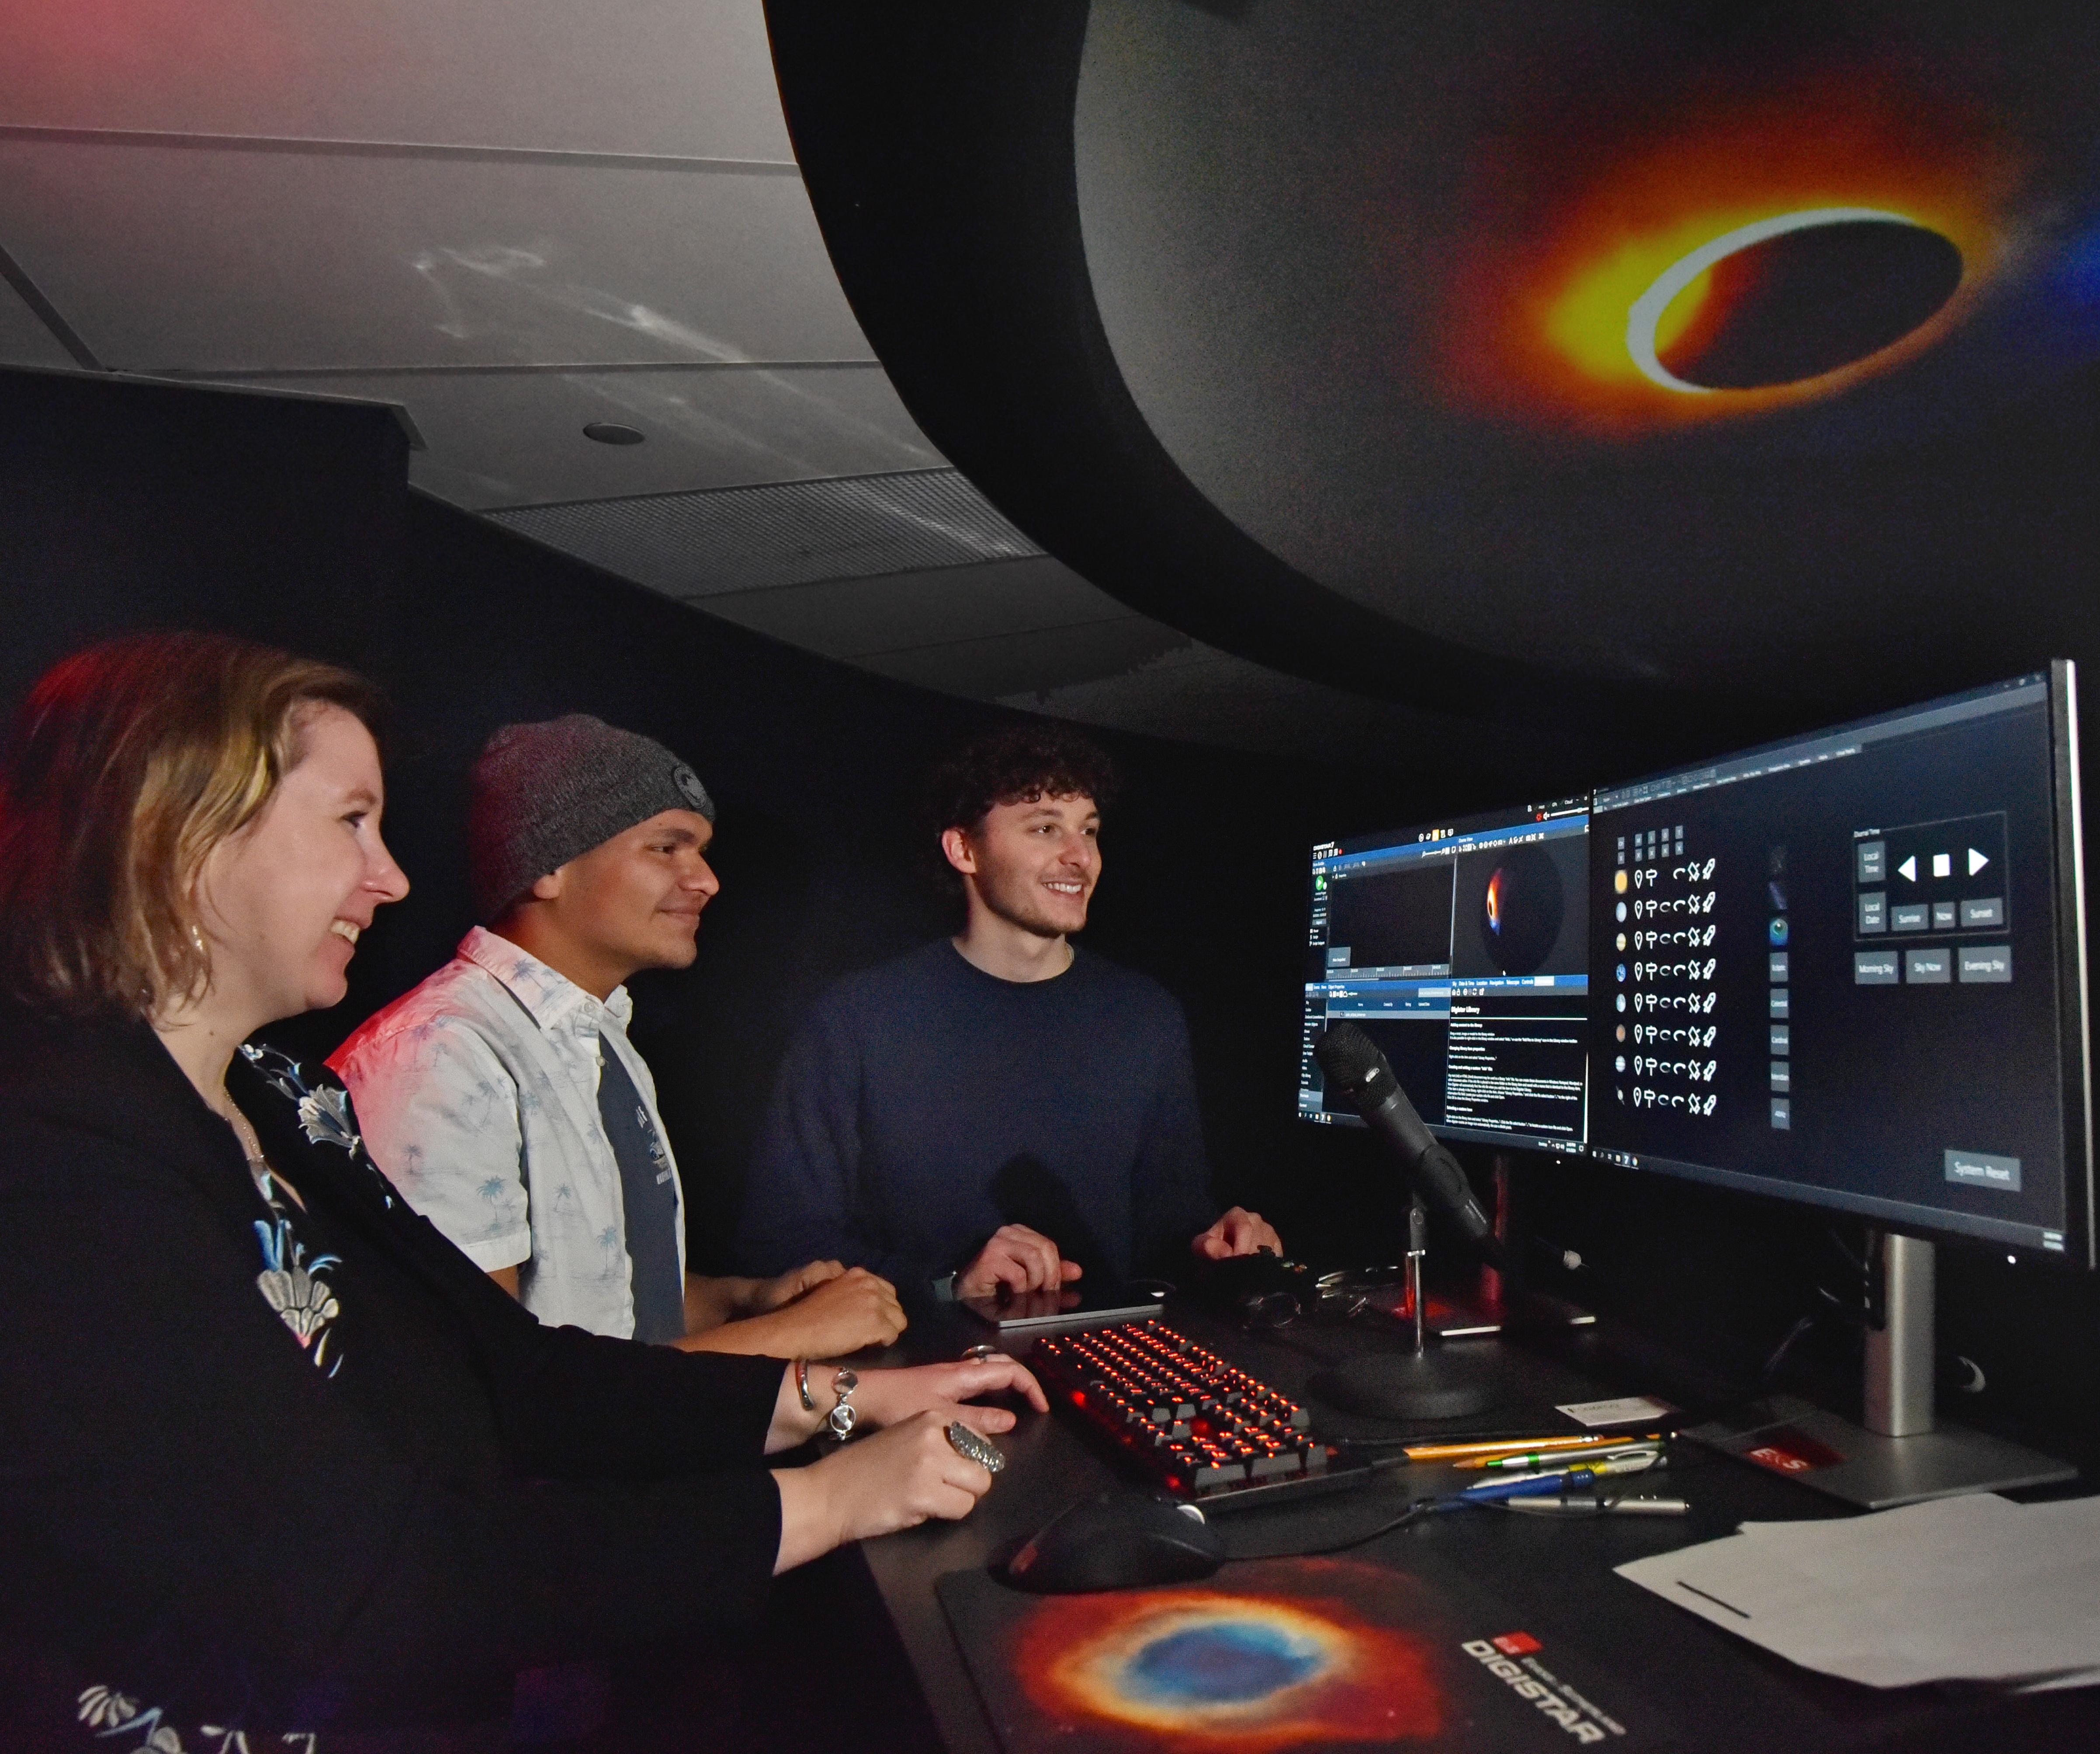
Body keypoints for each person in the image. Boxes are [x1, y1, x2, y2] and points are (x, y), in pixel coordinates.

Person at [0, 634, 1040, 1750]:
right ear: (178, 828)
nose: (391, 875)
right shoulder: (59, 1155)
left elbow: (510, 1367)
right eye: (350, 820)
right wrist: (833, 1495)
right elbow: (370, 1574)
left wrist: (843, 1395)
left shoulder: (281, 1099)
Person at [332, 714, 903, 1359]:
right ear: (547, 865)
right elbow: (479, 1379)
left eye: (703, 852)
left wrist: (747, 1301)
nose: (706, 881)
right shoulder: (439, 1054)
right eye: (667, 847)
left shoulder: (602, 1043)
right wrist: (784, 1339)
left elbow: (608, 1308)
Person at [738, 721, 1281, 1300]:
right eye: (1046, 829)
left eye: (1090, 832)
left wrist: (1214, 1247)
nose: (1080, 857)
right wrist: (947, 1283)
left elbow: (1170, 1228)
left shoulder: (1147, 1017)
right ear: (964, 849)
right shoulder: (857, 1019)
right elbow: (777, 1243)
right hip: (922, 1371)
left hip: (1103, 1368)